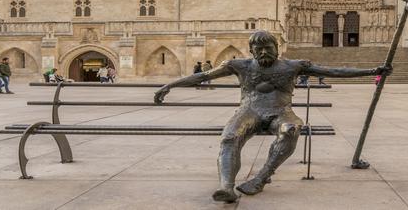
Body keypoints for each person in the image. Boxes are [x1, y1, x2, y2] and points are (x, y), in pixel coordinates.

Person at [155, 30, 390, 203]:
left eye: (269, 48)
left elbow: (334, 71)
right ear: (251, 51)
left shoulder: (293, 66)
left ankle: (262, 176)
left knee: (290, 130)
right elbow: (203, 76)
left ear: (277, 48)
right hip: (250, 109)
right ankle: (227, 186)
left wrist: (372, 71)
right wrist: (169, 85)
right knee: (229, 138)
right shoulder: (240, 65)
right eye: (259, 49)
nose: (264, 52)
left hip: (280, 111)